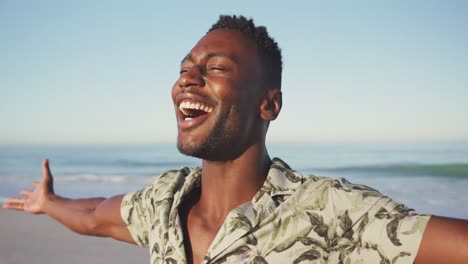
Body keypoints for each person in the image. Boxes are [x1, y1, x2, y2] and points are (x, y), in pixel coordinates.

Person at [3, 15, 468, 264]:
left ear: (269, 105)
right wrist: (49, 202)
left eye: (215, 69)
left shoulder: (330, 213)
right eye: (184, 69)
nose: (188, 79)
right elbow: (95, 216)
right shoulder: (163, 204)